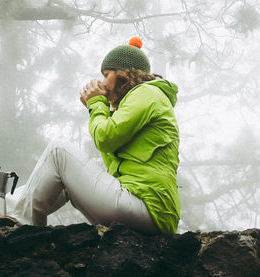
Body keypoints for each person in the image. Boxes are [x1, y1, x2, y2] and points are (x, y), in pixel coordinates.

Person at [10, 37, 180, 234]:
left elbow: (105, 138)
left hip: (145, 207)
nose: (103, 81)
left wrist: (97, 104)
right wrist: (101, 108)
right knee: (63, 177)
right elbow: (110, 151)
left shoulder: (147, 93)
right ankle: (6, 207)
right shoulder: (142, 99)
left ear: (124, 73)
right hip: (147, 211)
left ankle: (21, 229)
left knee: (59, 151)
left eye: (107, 74)